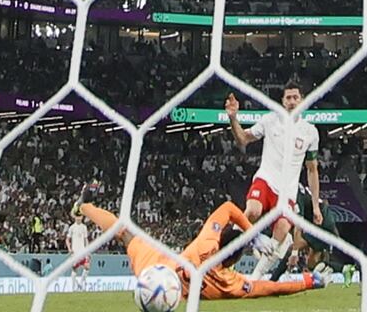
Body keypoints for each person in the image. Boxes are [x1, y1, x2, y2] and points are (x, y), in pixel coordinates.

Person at [72, 181, 329, 300]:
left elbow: (228, 208)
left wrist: (252, 233)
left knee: (124, 232)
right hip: (164, 281)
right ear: (235, 260)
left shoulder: (207, 242)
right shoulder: (230, 285)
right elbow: (271, 288)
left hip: (157, 268)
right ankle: (83, 206)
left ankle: (84, 207)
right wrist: (309, 281)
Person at [225, 82, 323, 258]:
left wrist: (316, 206)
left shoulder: (310, 132)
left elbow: (312, 170)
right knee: (253, 211)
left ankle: (261, 264)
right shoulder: (270, 120)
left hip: (287, 192)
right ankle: (227, 247)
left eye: (295, 97)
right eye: (288, 98)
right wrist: (233, 118)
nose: (292, 101)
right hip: (266, 180)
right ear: (282, 101)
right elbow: (243, 139)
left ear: (302, 100)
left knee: (282, 229)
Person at [65, 215, 90, 291]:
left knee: (87, 267)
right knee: (74, 269)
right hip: (75, 252)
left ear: (82, 217)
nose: (78, 218)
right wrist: (69, 249)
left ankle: (81, 284)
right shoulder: (72, 227)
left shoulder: (84, 227)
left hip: (82, 252)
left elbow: (86, 239)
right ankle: (73, 288)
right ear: (75, 218)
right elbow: (67, 239)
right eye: (77, 217)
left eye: (80, 217)